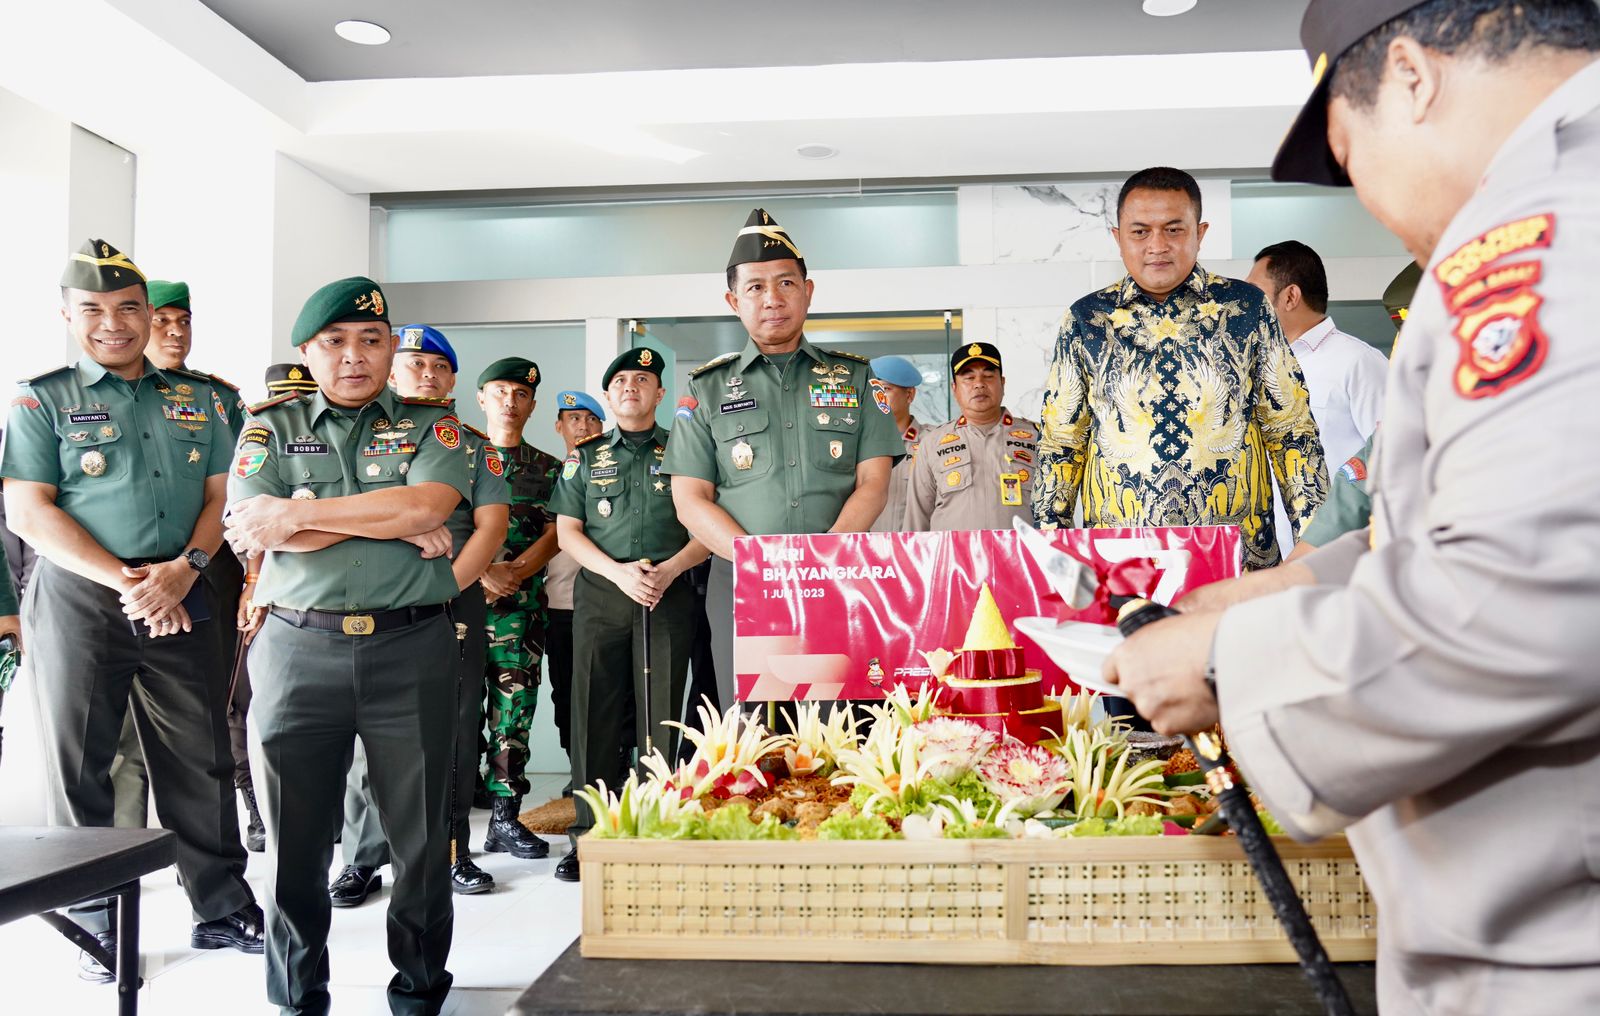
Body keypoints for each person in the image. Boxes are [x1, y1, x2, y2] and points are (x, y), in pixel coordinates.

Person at [1103, 2, 1600, 1012]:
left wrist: (1223, 665)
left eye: (1348, 151)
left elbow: (1525, 600)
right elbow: (1482, 527)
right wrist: (1277, 589)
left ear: (1410, 75)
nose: (1367, 199)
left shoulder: (1547, 240)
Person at [1, 240, 261, 981]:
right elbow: (27, 508)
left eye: (128, 309)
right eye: (93, 310)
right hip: (82, 598)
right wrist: (130, 581)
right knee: (77, 764)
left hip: (185, 588)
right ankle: (94, 925)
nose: (112, 324)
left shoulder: (206, 400)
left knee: (201, 757)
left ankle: (220, 906)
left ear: (150, 315)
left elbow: (222, 499)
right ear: (66, 316)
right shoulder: (40, 397)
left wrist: (184, 570)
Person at [225, 276, 467, 1015]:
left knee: (421, 842)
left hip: (411, 647)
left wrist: (299, 516)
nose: (354, 356)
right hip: (298, 650)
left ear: (392, 348)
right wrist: (387, 518)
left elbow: (430, 505)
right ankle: (298, 994)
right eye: (335, 342)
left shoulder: (435, 427)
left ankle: (420, 988)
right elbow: (247, 524)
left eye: (371, 340)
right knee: (296, 845)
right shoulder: (267, 427)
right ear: (308, 350)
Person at [664, 209, 903, 708]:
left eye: (785, 283)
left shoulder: (858, 380)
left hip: (839, 574)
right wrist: (761, 562)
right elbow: (689, 499)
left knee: (841, 724)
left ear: (808, 292)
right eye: (754, 287)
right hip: (743, 579)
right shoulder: (705, 389)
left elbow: (874, 483)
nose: (772, 298)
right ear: (734, 301)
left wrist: (824, 558)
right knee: (753, 730)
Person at [1032, 167, 1328, 570]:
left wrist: (1317, 549)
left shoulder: (1246, 310)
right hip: (1124, 567)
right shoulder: (1087, 320)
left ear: (1199, 233)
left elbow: (1291, 431)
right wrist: (1057, 560)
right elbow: (1061, 445)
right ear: (1118, 238)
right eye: (1140, 232)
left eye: (1174, 230)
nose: (1158, 245)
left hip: (1238, 560)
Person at [331, 325, 511, 906]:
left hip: (448, 599)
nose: (427, 375)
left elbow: (490, 527)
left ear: (454, 379)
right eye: (415, 364)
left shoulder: (474, 444)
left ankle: (453, 850)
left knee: (453, 730)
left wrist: (440, 586)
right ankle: (362, 859)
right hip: (367, 601)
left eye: (439, 366)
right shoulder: (357, 438)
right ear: (392, 368)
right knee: (363, 737)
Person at [550, 348, 709, 882]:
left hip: (669, 593)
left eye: (642, 379)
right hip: (600, 596)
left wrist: (669, 570)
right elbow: (568, 530)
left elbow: (708, 527)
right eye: (620, 381)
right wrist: (619, 574)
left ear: (659, 393)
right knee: (592, 712)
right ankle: (588, 837)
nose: (630, 387)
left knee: (661, 714)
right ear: (610, 394)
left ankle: (655, 825)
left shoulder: (687, 450)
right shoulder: (585, 456)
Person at [140, 278, 265, 849]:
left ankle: (218, 871)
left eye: (182, 321)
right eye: (161, 320)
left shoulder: (217, 399)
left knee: (214, 719)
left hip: (209, 571)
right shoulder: (81, 399)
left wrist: (250, 579)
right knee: (121, 747)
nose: (173, 332)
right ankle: (114, 868)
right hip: (125, 583)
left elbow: (246, 494)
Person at [1245, 242, 1389, 553]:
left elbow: (1390, 461)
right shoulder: (1257, 366)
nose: (1247, 306)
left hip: (1336, 554)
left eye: (1255, 294)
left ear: (1290, 296)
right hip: (1272, 554)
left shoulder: (1359, 362)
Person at [475, 357, 561, 860]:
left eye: (521, 394)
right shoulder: (458, 458)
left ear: (531, 404)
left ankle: (505, 819)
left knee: (514, 717)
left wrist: (516, 571)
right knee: (453, 718)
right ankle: (451, 823)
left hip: (521, 613)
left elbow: (558, 532)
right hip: (459, 608)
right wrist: (486, 569)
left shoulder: (548, 467)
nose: (511, 402)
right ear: (483, 397)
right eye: (501, 391)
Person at [904, 343, 1039, 532]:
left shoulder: (1037, 438)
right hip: (955, 558)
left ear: (1003, 382)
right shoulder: (932, 443)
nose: (979, 384)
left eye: (988, 376)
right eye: (968, 377)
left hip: (1020, 557)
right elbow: (917, 517)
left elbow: (1056, 508)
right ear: (954, 388)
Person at [543, 389, 606, 781]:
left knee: (614, 694)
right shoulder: (547, 473)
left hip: (605, 602)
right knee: (566, 695)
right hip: (560, 603)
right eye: (574, 418)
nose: (582, 426)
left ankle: (616, 770)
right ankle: (577, 771)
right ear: (559, 426)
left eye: (591, 419)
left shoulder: (610, 467)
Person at [866, 354, 926, 532]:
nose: (877, 398)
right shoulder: (855, 444)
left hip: (918, 550)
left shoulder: (932, 442)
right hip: (869, 552)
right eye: (871, 391)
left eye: (885, 389)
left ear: (909, 395)